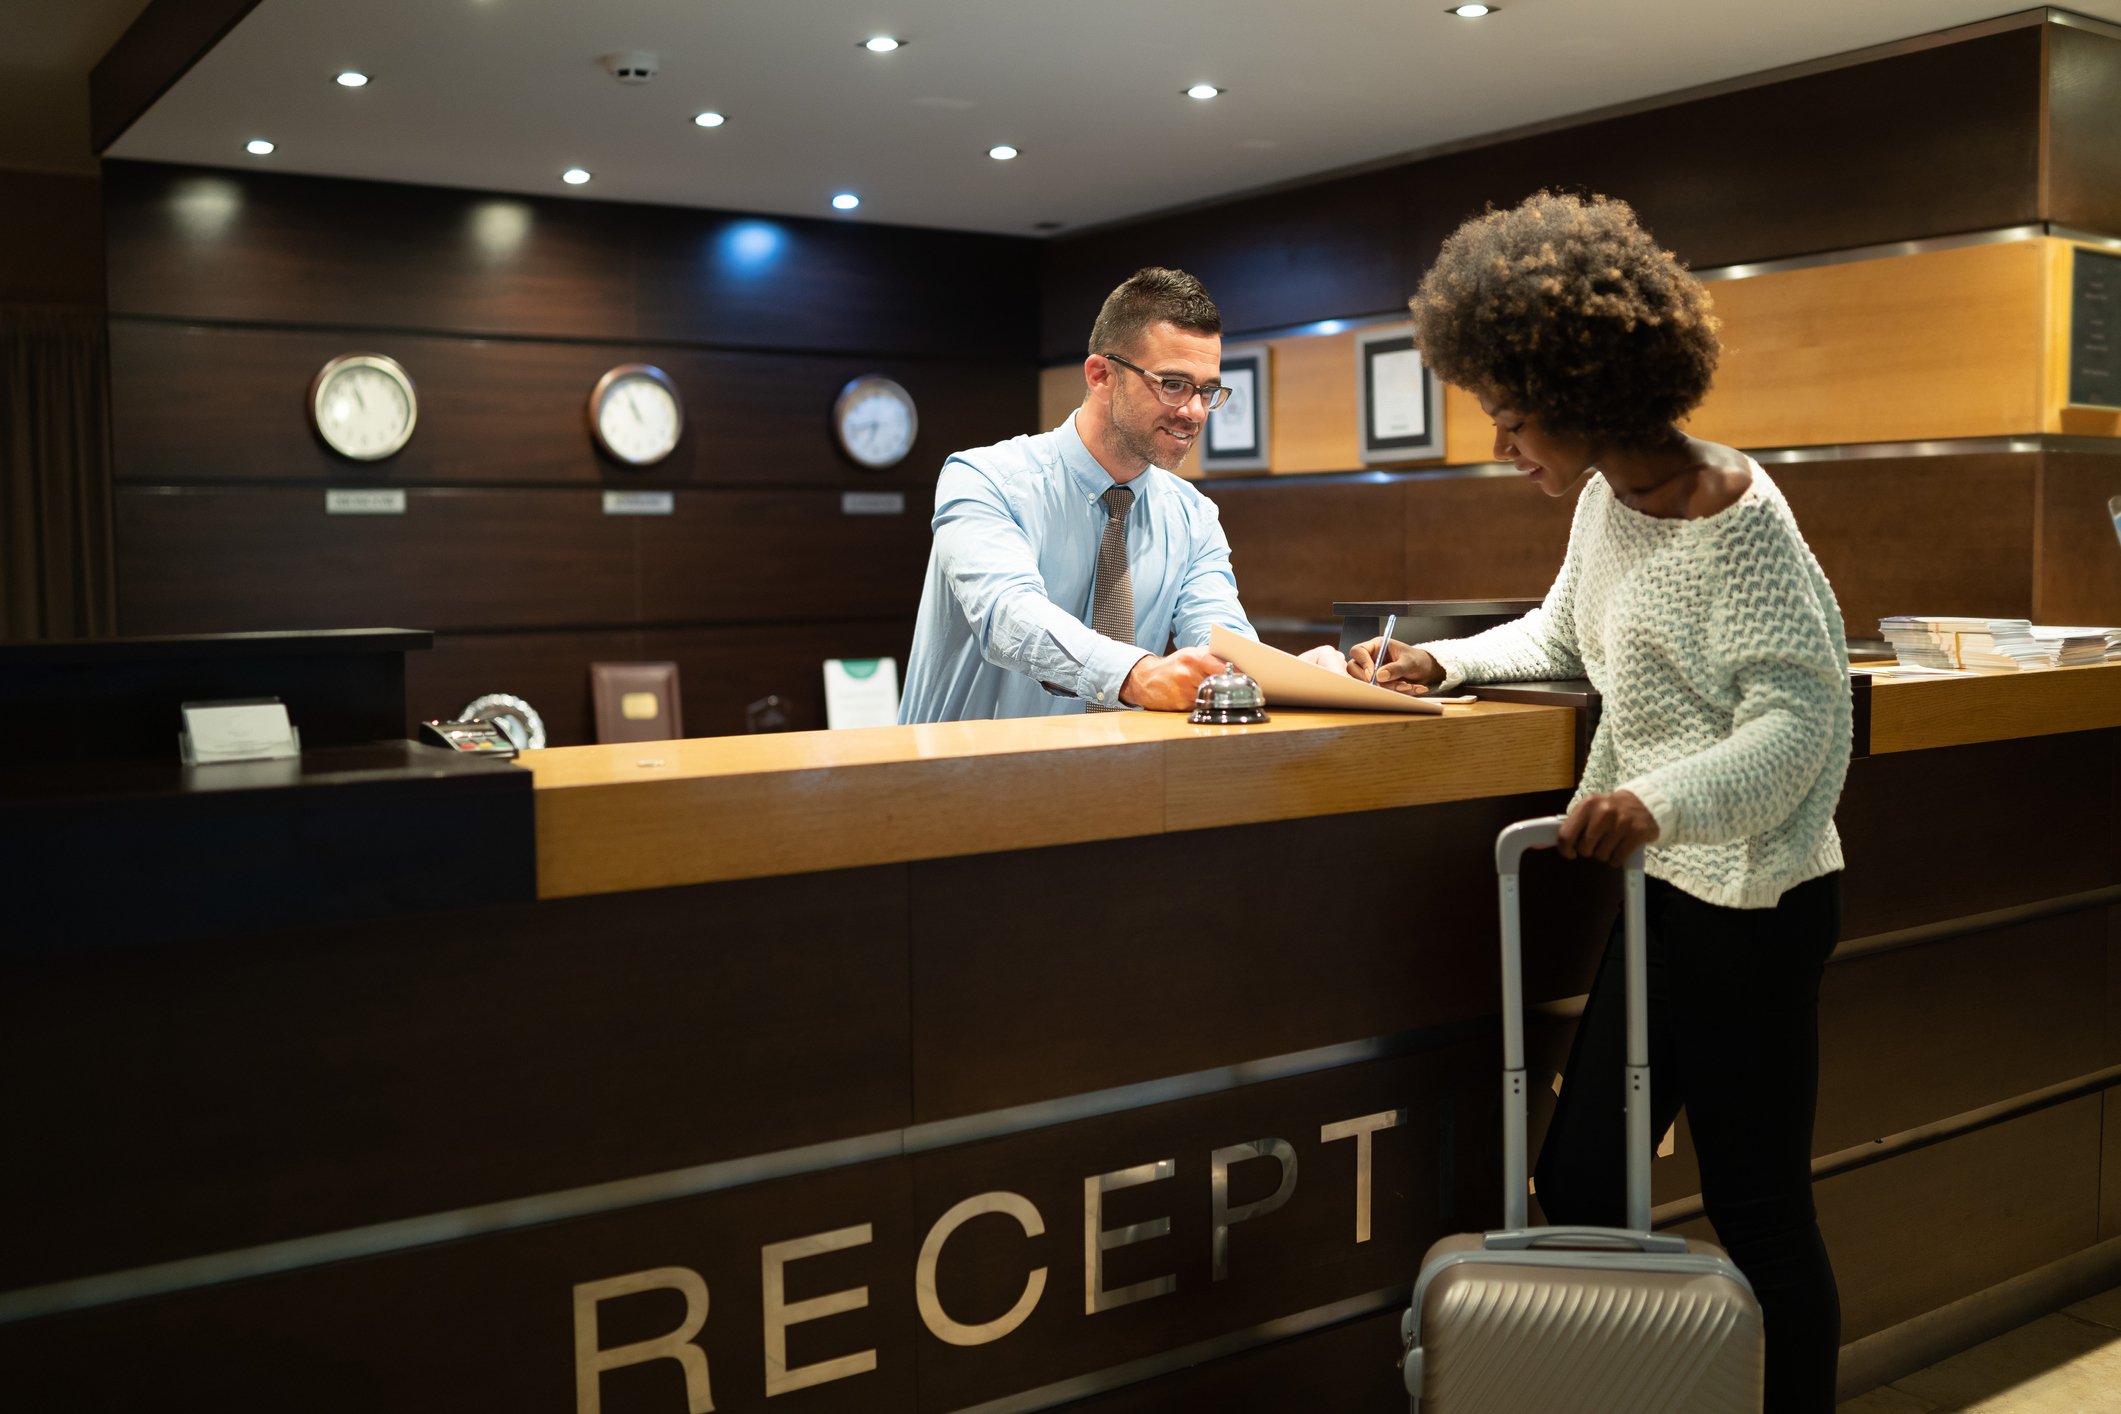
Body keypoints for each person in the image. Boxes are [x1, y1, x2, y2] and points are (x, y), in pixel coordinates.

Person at [1350, 192, 1849, 1413]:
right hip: (1670, 891)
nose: (1506, 445)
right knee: (1581, 1179)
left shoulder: (1740, 519)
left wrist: (1653, 799)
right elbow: (1565, 627)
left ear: (1579, 398)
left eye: (1513, 420)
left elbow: (1804, 724)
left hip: (1759, 899)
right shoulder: (1601, 504)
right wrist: (1450, 660)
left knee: (1759, 1207)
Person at [897, 268, 1257, 722]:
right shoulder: (984, 478)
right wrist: (1136, 674)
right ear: (1101, 375)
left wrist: (1313, 675)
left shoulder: (1194, 516)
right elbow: (1009, 618)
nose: (1193, 411)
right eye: (1173, 385)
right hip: (961, 781)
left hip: (1114, 782)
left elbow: (1220, 642)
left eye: (1207, 391)